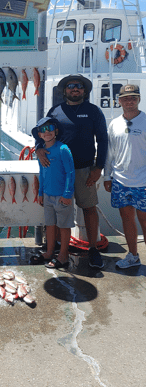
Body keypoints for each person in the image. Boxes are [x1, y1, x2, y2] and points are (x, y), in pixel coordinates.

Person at [34, 74, 108, 269]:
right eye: (71, 86)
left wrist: (98, 167)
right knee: (60, 212)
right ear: (64, 90)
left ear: (84, 91)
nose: (75, 89)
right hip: (58, 172)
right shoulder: (55, 111)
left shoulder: (93, 111)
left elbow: (102, 140)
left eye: (79, 86)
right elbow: (43, 131)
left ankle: (93, 249)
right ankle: (58, 249)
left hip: (84, 170)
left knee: (89, 208)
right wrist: (37, 148)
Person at [104, 84, 146, 268]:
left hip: (143, 181)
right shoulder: (114, 124)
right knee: (127, 219)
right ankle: (133, 256)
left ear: (139, 99)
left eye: (133, 97)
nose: (130, 101)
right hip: (120, 181)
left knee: (145, 221)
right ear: (119, 101)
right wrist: (107, 176)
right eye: (126, 98)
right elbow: (109, 153)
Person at [30, 118, 75, 269]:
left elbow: (70, 172)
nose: (47, 132)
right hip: (47, 195)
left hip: (62, 196)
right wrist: (41, 192)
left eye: (50, 128)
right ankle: (49, 252)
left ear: (56, 131)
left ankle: (63, 255)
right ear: (39, 135)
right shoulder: (41, 152)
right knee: (50, 225)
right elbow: (42, 173)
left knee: (64, 226)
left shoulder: (63, 149)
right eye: (43, 130)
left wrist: (67, 194)